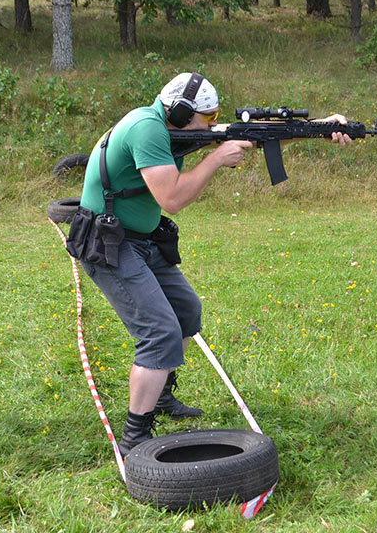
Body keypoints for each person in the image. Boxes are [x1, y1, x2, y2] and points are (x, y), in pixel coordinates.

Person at [71, 72, 353, 456]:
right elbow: (171, 199)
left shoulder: (173, 124)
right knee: (159, 332)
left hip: (140, 239)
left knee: (186, 312)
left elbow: (256, 133)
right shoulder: (147, 130)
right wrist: (217, 159)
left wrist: (320, 127)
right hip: (110, 244)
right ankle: (135, 437)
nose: (212, 123)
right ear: (182, 112)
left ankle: (161, 397)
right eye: (208, 116)